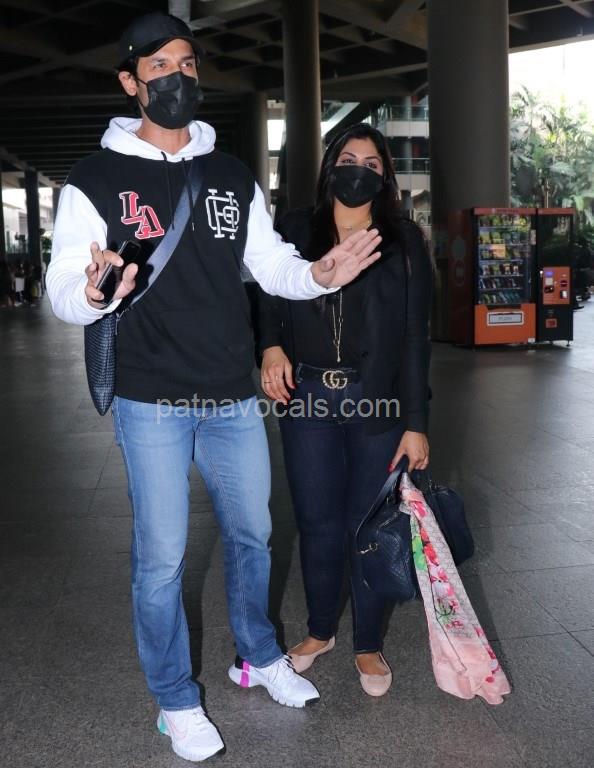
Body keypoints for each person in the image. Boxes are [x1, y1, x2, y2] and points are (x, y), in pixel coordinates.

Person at [46, 11, 382, 764]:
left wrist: (318, 274)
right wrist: (94, 293)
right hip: (151, 399)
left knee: (253, 534)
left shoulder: (230, 175)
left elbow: (270, 266)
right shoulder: (94, 179)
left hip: (231, 395)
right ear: (131, 82)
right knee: (162, 557)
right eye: (159, 66)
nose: (177, 77)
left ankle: (258, 658)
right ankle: (174, 700)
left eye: (188, 63)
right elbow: (63, 287)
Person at [258, 123, 432, 698]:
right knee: (316, 521)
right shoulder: (294, 228)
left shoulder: (403, 242)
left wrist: (416, 424)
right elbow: (268, 292)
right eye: (348, 158)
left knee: (367, 524)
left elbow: (415, 336)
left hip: (375, 401)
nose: (359, 170)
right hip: (306, 397)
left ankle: (367, 643)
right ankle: (320, 631)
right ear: (330, 166)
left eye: (372, 163)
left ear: (385, 177)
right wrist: (271, 345)